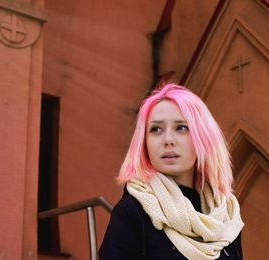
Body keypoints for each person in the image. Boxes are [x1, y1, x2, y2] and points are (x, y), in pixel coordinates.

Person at [99, 83, 244, 259]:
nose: (168, 140)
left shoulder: (226, 215)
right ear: (144, 144)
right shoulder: (133, 212)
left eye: (181, 128)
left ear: (204, 137)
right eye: (156, 129)